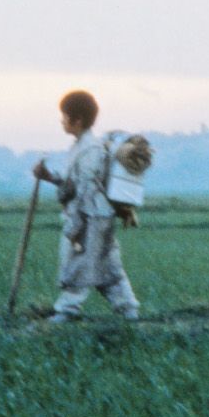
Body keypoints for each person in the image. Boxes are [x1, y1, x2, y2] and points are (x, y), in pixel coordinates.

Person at [31, 90, 141, 321]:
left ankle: (67, 311)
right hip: (97, 216)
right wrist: (49, 176)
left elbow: (85, 191)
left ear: (77, 120)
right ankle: (128, 308)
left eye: (64, 117)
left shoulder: (90, 149)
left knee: (78, 263)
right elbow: (72, 181)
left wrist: (76, 225)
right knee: (107, 265)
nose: (62, 121)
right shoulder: (81, 146)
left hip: (91, 217)